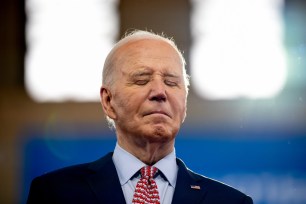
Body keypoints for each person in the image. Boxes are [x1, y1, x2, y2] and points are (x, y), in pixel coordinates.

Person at [27, 30, 253, 204]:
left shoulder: (232, 202)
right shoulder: (54, 193)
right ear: (108, 101)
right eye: (142, 80)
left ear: (184, 103)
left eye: (172, 82)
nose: (159, 92)